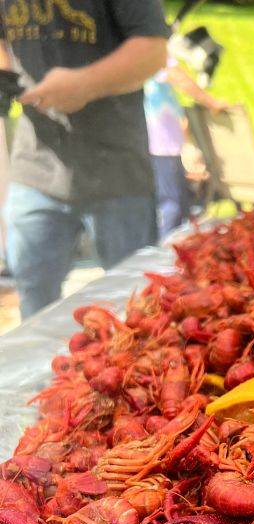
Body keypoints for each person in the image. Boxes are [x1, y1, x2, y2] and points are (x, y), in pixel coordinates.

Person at [0, 1, 169, 319]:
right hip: (35, 165)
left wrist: (85, 84)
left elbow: (153, 50)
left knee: (135, 306)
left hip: (117, 171)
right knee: (34, 303)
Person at [145, 55, 230, 239]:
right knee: (171, 206)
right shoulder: (154, 52)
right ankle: (165, 257)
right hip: (161, 145)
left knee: (178, 205)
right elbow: (177, 77)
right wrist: (212, 102)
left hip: (163, 143)